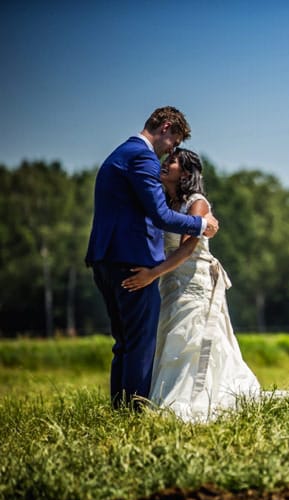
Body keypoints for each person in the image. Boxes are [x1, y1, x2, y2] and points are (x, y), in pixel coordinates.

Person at [121, 149, 289, 422]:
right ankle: (160, 395)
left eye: (172, 162)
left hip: (194, 280)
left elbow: (186, 251)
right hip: (170, 282)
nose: (165, 164)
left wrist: (151, 274)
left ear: (187, 173)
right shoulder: (163, 205)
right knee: (169, 337)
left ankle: (189, 400)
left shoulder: (197, 203)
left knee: (192, 337)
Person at [85, 106, 219, 410]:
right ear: (166, 127)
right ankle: (135, 412)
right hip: (133, 261)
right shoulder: (141, 156)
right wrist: (201, 225)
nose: (171, 150)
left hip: (106, 258)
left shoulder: (120, 153)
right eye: (174, 142)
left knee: (123, 342)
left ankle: (120, 409)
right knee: (140, 343)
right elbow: (159, 215)